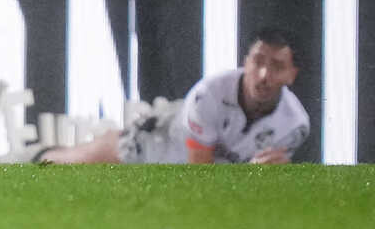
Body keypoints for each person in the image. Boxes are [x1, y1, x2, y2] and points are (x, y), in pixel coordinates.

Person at [36, 29, 309, 164]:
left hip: (201, 163)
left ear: (293, 75)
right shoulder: (210, 93)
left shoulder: (295, 125)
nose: (263, 75)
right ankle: (34, 155)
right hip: (158, 143)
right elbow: (198, 173)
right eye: (258, 61)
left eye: (277, 66)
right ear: (245, 62)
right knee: (71, 164)